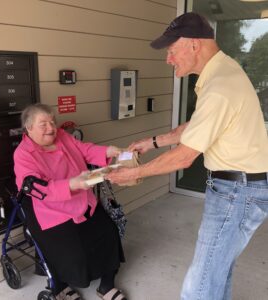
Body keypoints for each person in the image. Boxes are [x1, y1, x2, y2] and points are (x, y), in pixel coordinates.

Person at [106, 12, 268, 300]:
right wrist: (153, 141)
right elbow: (195, 127)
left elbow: (183, 158)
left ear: (194, 44)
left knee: (201, 284)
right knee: (216, 271)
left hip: (238, 192)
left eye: (171, 50)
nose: (168, 59)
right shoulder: (220, 73)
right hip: (239, 188)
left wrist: (133, 173)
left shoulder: (220, 85)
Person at [14, 103, 127, 300]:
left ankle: (106, 286)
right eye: (43, 124)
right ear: (29, 128)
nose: (51, 128)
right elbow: (36, 188)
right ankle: (61, 287)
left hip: (82, 199)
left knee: (108, 233)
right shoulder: (23, 154)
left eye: (52, 122)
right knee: (70, 250)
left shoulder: (62, 136)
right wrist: (72, 184)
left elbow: (85, 149)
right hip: (51, 209)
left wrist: (109, 151)